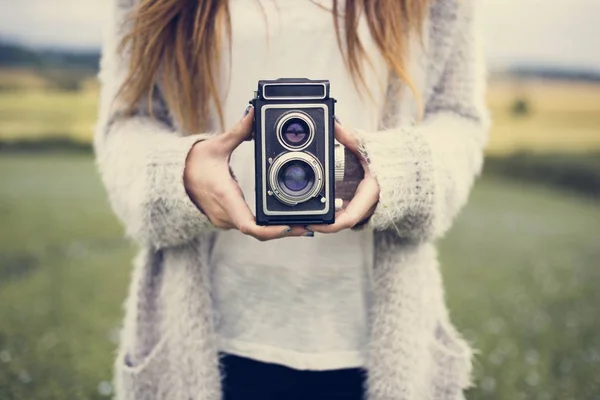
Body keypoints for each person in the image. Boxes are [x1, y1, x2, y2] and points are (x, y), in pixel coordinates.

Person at [94, 0, 490, 399]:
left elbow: (456, 114)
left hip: (375, 337)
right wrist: (179, 174)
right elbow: (126, 120)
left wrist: (402, 171)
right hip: (203, 335)